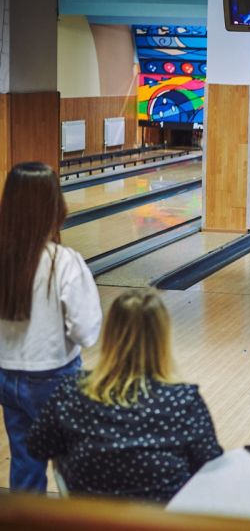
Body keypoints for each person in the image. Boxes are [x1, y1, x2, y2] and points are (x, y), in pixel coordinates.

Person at [27, 289, 222, 503]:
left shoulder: (71, 391)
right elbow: (210, 463)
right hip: (163, 518)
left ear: (110, 335)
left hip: (88, 517)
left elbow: (37, 446)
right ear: (162, 338)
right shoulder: (183, 400)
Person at [0, 162, 102, 492]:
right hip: (54, 377)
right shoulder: (64, 261)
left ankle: (27, 517)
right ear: (54, 207)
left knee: (25, 463)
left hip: (6, 375)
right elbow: (86, 331)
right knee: (73, 464)